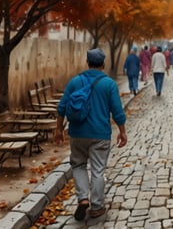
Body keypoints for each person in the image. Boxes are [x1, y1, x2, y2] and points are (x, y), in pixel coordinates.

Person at [54, 48, 127, 221]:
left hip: (78, 133)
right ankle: (96, 206)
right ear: (103, 64)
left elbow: (62, 107)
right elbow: (117, 111)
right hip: (100, 134)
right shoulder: (108, 84)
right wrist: (122, 132)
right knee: (98, 170)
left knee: (78, 165)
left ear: (87, 62)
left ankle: (82, 198)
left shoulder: (75, 82)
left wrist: (58, 129)